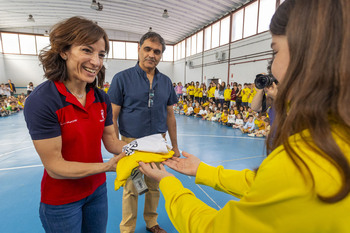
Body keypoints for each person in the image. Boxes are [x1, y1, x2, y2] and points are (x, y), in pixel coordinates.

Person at [137, 0, 350, 232]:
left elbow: (215, 228)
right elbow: (265, 184)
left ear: (312, 54)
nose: (273, 69)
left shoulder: (307, 159)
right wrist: (202, 170)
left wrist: (170, 184)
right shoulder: (334, 138)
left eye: (275, 51)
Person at [23, 16, 127, 233]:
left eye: (101, 54)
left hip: (97, 192)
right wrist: (107, 167)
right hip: (62, 201)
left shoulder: (101, 98)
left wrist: (144, 148)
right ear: (63, 51)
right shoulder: (43, 101)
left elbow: (111, 142)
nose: (96, 62)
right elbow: (55, 167)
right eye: (87, 50)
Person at [107, 31, 179, 233]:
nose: (152, 55)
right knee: (131, 187)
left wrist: (175, 146)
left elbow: (170, 116)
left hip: (158, 142)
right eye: (147, 49)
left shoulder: (165, 82)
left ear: (161, 55)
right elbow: (112, 115)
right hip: (131, 142)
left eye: (157, 51)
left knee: (154, 185)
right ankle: (127, 228)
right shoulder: (122, 79)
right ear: (139, 49)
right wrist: (115, 145)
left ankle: (151, 222)